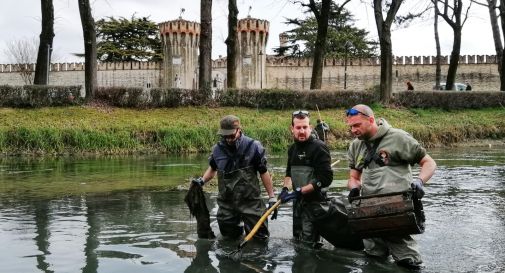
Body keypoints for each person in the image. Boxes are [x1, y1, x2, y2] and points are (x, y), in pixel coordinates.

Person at [345, 104, 437, 270]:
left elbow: (429, 163)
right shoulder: (355, 146)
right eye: (351, 126)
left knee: (408, 262)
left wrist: (420, 181)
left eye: (357, 125)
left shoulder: (398, 138)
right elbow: (353, 177)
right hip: (368, 215)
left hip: (397, 211)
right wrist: (353, 188)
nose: (353, 130)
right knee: (374, 261)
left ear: (371, 120)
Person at [191, 115, 277, 240]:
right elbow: (212, 169)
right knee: (228, 239)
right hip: (227, 204)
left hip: (251, 202)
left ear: (239, 130)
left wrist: (272, 197)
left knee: (260, 238)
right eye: (225, 136)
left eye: (231, 135)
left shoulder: (253, 146)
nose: (229, 139)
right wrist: (202, 180)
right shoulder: (217, 150)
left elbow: (263, 172)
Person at [278, 110, 333, 248]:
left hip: (315, 204)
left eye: (305, 127)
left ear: (310, 127)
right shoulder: (292, 149)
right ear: (292, 129)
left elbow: (326, 178)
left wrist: (301, 191)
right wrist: (285, 189)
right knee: (297, 239)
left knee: (309, 243)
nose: (301, 131)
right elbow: (288, 173)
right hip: (298, 203)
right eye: (298, 127)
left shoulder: (319, 147)